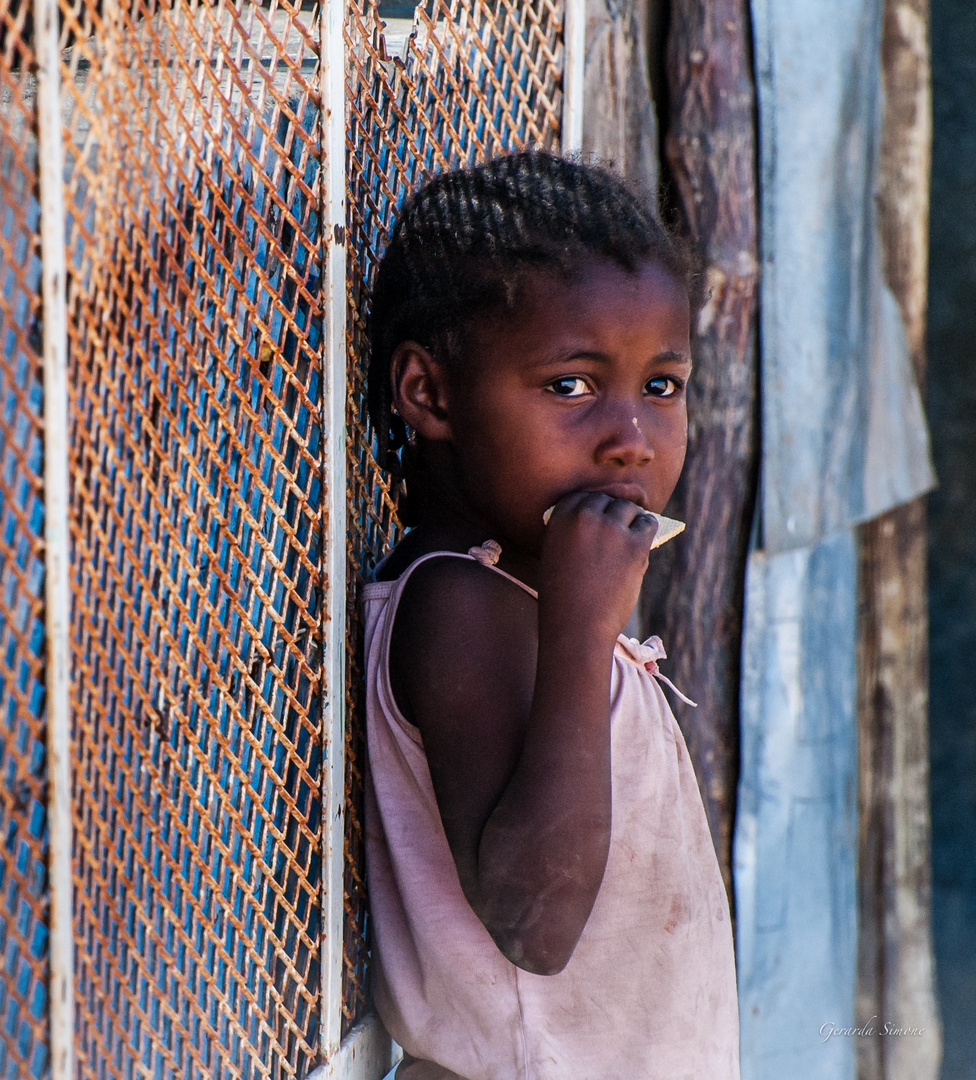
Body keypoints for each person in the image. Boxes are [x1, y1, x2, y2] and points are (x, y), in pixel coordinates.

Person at [362, 151, 739, 1079]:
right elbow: (534, 925)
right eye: (571, 386)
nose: (631, 439)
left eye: (662, 386)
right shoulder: (461, 603)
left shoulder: (529, 590)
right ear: (432, 394)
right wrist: (579, 626)